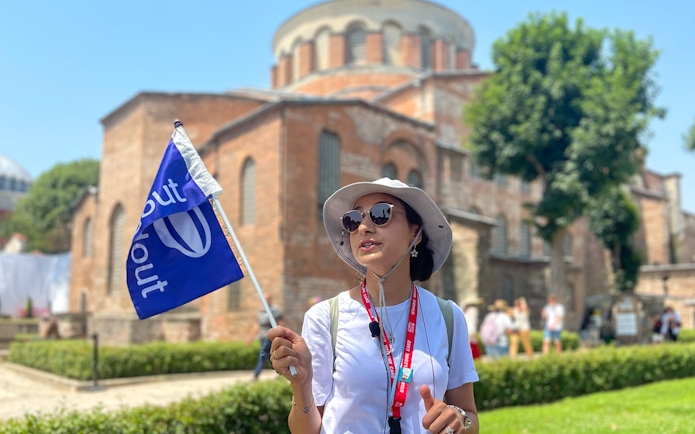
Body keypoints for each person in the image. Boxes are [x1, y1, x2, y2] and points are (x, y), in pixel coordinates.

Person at [268, 178, 479, 433]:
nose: (364, 227)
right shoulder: (325, 317)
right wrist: (301, 385)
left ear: (416, 232)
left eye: (381, 214)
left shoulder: (448, 316)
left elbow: (470, 416)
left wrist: (458, 420)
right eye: (353, 220)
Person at [245, 294, 284, 381]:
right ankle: (281, 372)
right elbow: (257, 325)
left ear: (270, 300)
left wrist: (282, 335)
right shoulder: (261, 311)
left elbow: (280, 323)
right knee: (271, 355)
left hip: (270, 336)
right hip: (262, 337)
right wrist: (250, 337)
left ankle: (256, 375)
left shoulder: (275, 310)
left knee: (263, 355)